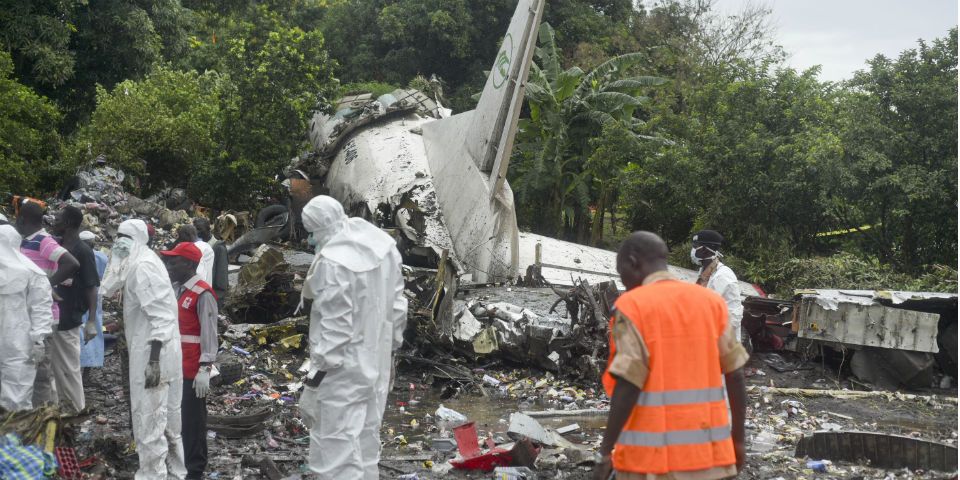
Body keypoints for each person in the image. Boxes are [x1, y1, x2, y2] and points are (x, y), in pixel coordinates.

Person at [594, 231, 748, 480]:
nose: (623, 281)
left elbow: (629, 383)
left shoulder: (632, 306)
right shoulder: (711, 303)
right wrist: (739, 441)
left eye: (621, 271)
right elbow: (736, 376)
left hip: (650, 464)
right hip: (712, 460)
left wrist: (604, 452)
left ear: (632, 262)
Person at [298, 196, 408, 479]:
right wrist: (392, 356)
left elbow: (335, 331)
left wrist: (313, 384)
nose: (310, 241)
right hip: (376, 366)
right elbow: (398, 309)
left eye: (311, 233)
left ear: (320, 229)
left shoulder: (334, 263)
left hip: (340, 375)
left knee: (333, 455)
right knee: (366, 446)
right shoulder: (383, 249)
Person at [101, 219, 187, 479]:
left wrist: (153, 362)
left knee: (149, 418)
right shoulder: (141, 262)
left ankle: (153, 475)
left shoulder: (142, 267)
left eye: (125, 236)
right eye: (117, 235)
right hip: (161, 351)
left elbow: (161, 318)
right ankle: (175, 473)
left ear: (137, 239)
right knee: (169, 418)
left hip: (154, 355)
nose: (119, 241)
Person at [160, 242, 219, 480]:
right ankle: (180, 465)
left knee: (193, 422)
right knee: (177, 419)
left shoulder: (202, 293)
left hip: (192, 370)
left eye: (174, 261)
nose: (170, 266)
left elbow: (209, 333)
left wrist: (205, 368)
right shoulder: (177, 289)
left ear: (189, 264)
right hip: (175, 366)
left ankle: (195, 471)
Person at [16, 200, 80, 407]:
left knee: (42, 373)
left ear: (22, 219)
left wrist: (44, 285)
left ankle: (43, 423)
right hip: (29, 315)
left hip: (45, 317)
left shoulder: (43, 241)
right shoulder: (24, 241)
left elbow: (71, 263)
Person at [46, 205, 99, 415]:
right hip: (51, 317)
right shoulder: (56, 245)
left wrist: (92, 321)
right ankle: (59, 415)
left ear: (68, 223)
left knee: (69, 370)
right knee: (51, 371)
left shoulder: (83, 251)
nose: (54, 221)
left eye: (58, 218)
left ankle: (77, 414)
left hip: (68, 318)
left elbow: (91, 287)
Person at [0, 225, 54, 411]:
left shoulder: (32, 273)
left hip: (20, 345)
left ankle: (12, 437)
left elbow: (40, 309)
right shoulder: (34, 272)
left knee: (16, 399)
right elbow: (41, 309)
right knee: (16, 396)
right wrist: (39, 339)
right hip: (19, 345)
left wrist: (39, 339)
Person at [691, 230, 744, 342]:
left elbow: (734, 317)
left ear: (704, 250)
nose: (693, 249)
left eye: (695, 246)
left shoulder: (723, 276)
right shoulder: (705, 273)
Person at [79, 230, 109, 370]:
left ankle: (83, 363)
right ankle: (90, 364)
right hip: (95, 295)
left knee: (82, 328)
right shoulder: (101, 257)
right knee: (94, 326)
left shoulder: (78, 255)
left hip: (83, 295)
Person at [193, 217, 229, 306]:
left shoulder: (218, 248)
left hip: (209, 297)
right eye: (195, 230)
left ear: (208, 230)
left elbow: (221, 278)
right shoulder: (197, 245)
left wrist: (216, 300)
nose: (197, 232)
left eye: (200, 229)